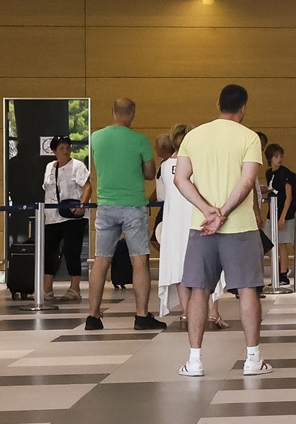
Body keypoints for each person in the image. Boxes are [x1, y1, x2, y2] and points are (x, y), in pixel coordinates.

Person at [172, 85, 270, 378]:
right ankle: (252, 360)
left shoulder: (194, 136)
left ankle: (195, 360)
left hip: (201, 227)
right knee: (248, 289)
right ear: (244, 107)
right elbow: (246, 182)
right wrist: (224, 213)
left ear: (218, 104)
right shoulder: (249, 137)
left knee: (199, 289)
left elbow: (180, 179)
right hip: (239, 226)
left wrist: (207, 211)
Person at [84, 98, 162, 331]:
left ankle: (93, 317)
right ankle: (141, 315)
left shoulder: (96, 137)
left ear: (113, 112)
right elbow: (150, 173)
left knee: (101, 260)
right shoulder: (140, 140)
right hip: (133, 206)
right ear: (132, 114)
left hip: (106, 206)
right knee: (139, 260)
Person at [155, 127, 225, 329]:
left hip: (173, 221)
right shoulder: (197, 164)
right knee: (206, 266)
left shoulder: (166, 166)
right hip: (196, 218)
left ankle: (187, 312)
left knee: (178, 265)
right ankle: (212, 312)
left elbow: (161, 195)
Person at [41, 137, 89, 303]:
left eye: (67, 147)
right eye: (61, 148)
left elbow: (87, 186)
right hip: (52, 216)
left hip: (72, 216)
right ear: (54, 151)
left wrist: (82, 205)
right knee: (49, 251)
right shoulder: (49, 167)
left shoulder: (77, 166)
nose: (65, 151)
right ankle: (46, 289)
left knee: (71, 251)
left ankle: (75, 288)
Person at [263, 144, 296, 287]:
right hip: (272, 212)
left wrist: (282, 217)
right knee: (267, 242)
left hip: (283, 213)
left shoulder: (284, 173)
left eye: (281, 156)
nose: (279, 159)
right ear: (270, 158)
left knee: (281, 244)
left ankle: (283, 274)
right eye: (276, 156)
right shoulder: (269, 173)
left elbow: (289, 196)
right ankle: (280, 268)